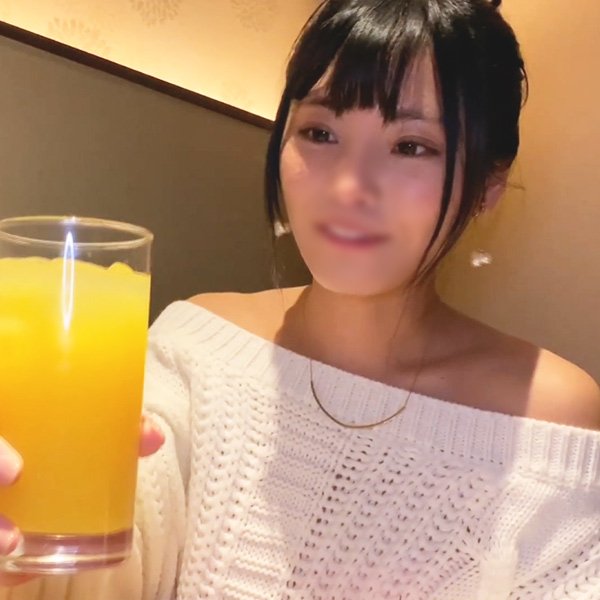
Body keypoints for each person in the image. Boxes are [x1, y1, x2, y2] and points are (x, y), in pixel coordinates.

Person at [2, 0, 600, 598]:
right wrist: (22, 540)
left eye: (412, 146)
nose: (348, 187)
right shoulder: (193, 350)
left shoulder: (547, 422)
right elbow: (99, 568)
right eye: (320, 133)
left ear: (488, 186)